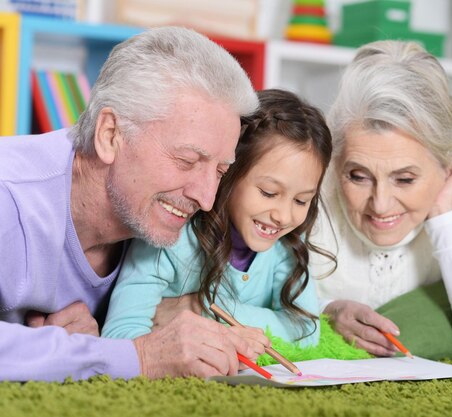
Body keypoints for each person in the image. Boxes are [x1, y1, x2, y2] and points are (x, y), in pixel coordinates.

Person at [0, 26, 269, 382]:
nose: (206, 199)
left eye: (220, 170)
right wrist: (137, 356)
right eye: (187, 160)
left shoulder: (164, 224)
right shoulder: (9, 193)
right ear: (110, 135)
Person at [309, 40, 452, 366]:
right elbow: (249, 300)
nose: (381, 204)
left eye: (405, 179)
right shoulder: (310, 185)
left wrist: (444, 218)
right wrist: (327, 310)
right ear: (336, 160)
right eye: (358, 176)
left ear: (446, 166)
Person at [102, 89, 335, 348]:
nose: (283, 216)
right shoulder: (170, 239)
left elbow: (306, 331)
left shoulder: (287, 247)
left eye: (301, 200)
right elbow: (119, 335)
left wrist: (201, 309)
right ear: (229, 174)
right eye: (269, 193)